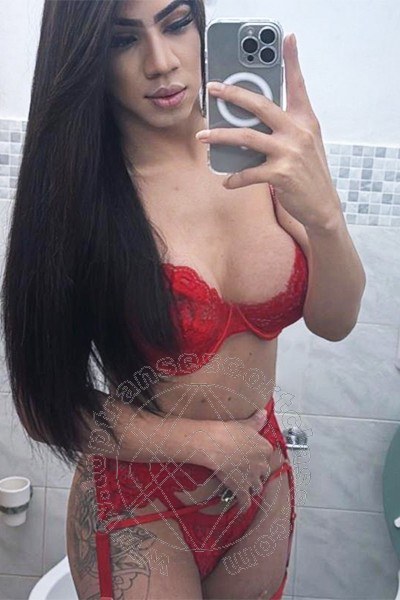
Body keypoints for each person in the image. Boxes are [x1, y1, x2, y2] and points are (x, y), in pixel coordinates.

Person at [1, 1, 366, 599]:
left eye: (175, 24)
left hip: (258, 484)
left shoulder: (265, 155)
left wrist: (324, 213)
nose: (161, 62)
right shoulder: (78, 192)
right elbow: (44, 405)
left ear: (199, 23)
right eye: (123, 40)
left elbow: (335, 322)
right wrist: (206, 444)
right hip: (141, 499)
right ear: (88, 56)